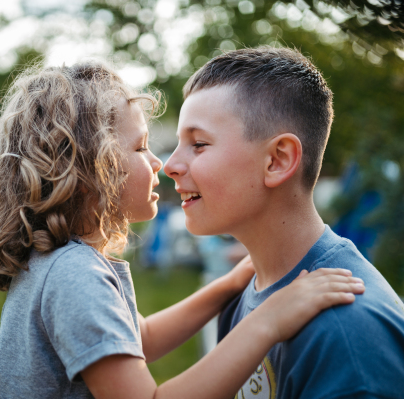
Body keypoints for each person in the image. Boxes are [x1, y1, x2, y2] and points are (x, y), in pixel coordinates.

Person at [0, 61, 364, 399]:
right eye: (140, 147)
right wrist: (268, 321)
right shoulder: (73, 275)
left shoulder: (63, 264)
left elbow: (138, 339)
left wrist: (227, 286)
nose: (161, 163)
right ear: (94, 168)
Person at [164, 46, 404, 399]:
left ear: (277, 160)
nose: (169, 165)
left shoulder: (348, 337)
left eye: (198, 144)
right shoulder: (247, 291)